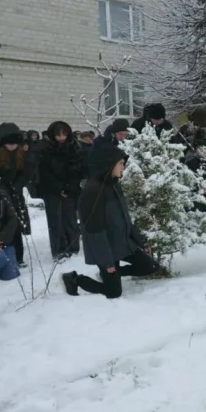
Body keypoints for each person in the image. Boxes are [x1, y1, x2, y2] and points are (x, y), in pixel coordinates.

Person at [61, 143, 158, 298]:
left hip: (122, 242)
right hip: (105, 249)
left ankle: (114, 275)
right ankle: (74, 279)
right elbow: (94, 231)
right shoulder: (93, 191)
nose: (123, 168)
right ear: (109, 164)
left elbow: (126, 219)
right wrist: (108, 263)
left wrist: (142, 242)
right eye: (120, 164)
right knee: (114, 292)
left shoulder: (113, 185)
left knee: (149, 266)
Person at [0, 123, 31, 266]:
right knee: (2, 225)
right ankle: (2, 256)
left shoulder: (21, 154)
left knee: (15, 225)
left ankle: (18, 257)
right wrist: (0, 188)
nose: (12, 146)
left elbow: (26, 173)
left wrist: (16, 186)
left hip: (15, 194)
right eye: (9, 143)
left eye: (15, 143)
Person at [35, 121, 84, 259]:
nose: (61, 138)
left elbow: (78, 168)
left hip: (70, 189)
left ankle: (73, 247)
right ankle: (59, 250)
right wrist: (58, 187)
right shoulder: (44, 148)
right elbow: (43, 172)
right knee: (56, 221)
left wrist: (70, 186)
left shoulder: (74, 146)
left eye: (64, 134)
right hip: (51, 190)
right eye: (58, 135)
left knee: (70, 219)